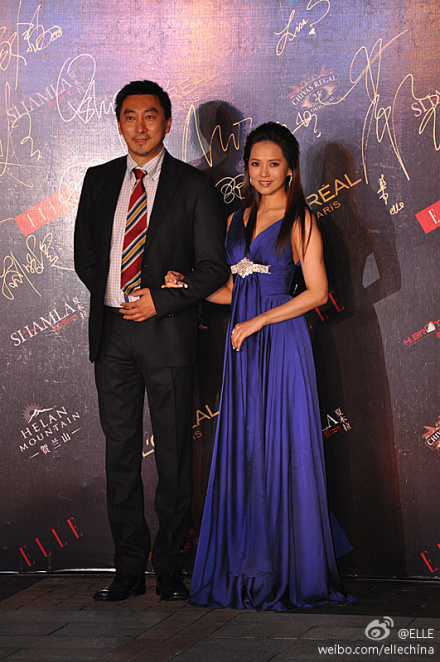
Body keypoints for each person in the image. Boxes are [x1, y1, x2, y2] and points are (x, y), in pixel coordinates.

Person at [164, 122, 354, 610]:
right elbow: (233, 291)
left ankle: (292, 568)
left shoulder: (301, 219)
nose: (263, 173)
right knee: (248, 448)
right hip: (243, 344)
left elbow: (318, 293)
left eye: (274, 164)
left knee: (282, 446)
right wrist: (187, 286)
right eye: (255, 164)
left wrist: (259, 321)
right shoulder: (237, 219)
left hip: (282, 343)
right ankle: (249, 565)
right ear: (245, 167)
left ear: (290, 169)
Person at [74, 80, 230, 602]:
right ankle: (127, 569)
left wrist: (159, 301)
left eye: (150, 116)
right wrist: (117, 297)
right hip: (113, 334)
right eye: (130, 116)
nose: (140, 126)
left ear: (166, 121)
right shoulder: (98, 179)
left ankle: (169, 568)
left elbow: (212, 268)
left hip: (168, 334)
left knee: (173, 458)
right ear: (119, 122)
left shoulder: (193, 185)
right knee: (120, 454)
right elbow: (86, 256)